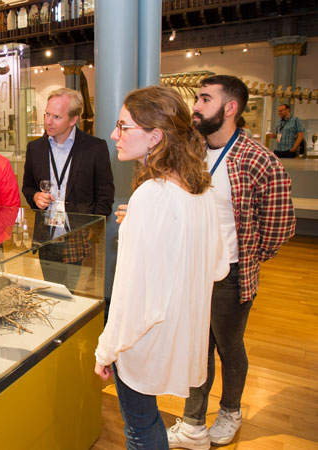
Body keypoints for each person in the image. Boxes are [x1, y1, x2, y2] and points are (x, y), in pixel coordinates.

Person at [164, 75, 296, 448]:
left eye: (205, 99)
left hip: (230, 276)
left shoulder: (259, 160)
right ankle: (192, 423)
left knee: (228, 347)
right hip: (190, 271)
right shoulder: (189, 151)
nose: (196, 106)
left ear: (230, 107)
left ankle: (231, 411)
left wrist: (245, 259)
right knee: (195, 346)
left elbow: (279, 225)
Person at [94, 86, 229, 450]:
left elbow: (131, 297)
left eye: (123, 126)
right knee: (147, 424)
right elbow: (217, 266)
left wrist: (106, 350)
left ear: (155, 136)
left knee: (140, 429)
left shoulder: (151, 197)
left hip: (145, 341)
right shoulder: (200, 189)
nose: (114, 135)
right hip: (181, 332)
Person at [22, 88, 114, 288]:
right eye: (47, 114)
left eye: (56, 116)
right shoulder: (35, 148)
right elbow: (27, 187)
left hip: (80, 234)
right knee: (53, 290)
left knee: (77, 294)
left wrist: (93, 228)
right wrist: (36, 196)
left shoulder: (94, 148)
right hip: (47, 233)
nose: (48, 121)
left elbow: (105, 195)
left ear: (73, 120)